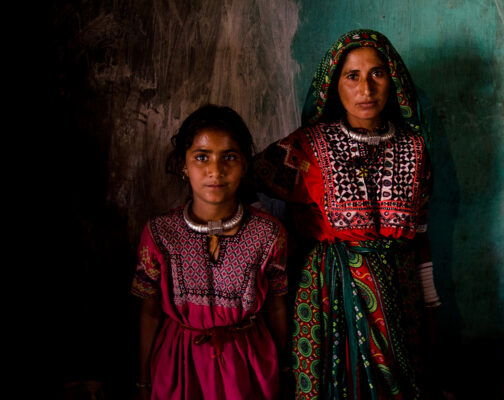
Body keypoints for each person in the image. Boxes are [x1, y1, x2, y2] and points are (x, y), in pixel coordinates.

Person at [254, 29, 441, 399]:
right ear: (332, 85)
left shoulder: (415, 148)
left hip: (400, 297)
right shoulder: (308, 145)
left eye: (377, 73)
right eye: (352, 76)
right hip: (328, 293)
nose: (366, 89)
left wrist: (432, 305)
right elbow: (244, 185)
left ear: (394, 80)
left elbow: (420, 234)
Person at [131, 104, 288, 400]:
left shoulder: (269, 234)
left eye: (229, 157)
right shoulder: (160, 233)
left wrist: (284, 369)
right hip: (179, 366)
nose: (215, 171)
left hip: (249, 366)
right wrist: (143, 381)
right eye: (201, 157)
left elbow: (277, 306)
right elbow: (149, 313)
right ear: (183, 165)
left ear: (244, 165)